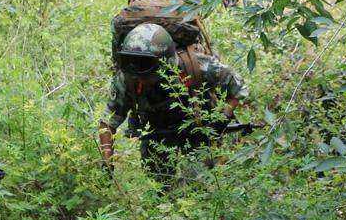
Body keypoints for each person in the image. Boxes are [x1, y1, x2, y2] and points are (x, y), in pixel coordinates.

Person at [98, 23, 248, 182]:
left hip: (197, 132)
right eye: (133, 61)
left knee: (197, 185)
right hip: (156, 135)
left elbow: (239, 89)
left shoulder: (197, 66)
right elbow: (108, 122)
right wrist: (107, 163)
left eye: (144, 64)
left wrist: (222, 116)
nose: (139, 74)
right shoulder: (128, 78)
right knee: (160, 186)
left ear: (165, 61)